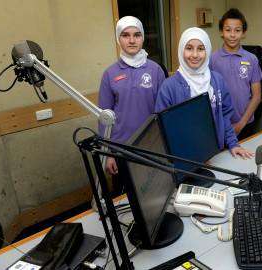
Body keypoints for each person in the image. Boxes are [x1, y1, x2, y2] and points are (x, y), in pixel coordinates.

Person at [155, 27, 252, 159]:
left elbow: (224, 117)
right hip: (183, 158)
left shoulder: (217, 80)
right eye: (189, 48)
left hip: (215, 153)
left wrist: (233, 144)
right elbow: (162, 129)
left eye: (201, 49)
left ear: (207, 51)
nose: (195, 55)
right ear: (181, 50)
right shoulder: (169, 87)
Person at [98, 16, 166, 188]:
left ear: (143, 37)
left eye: (137, 35)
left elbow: (164, 112)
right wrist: (108, 154)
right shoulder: (110, 74)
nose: (132, 40)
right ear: (118, 39)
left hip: (151, 147)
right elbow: (104, 117)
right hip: (121, 150)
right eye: (125, 35)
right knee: (125, 200)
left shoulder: (156, 70)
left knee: (153, 194)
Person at [210, 8, 262, 140]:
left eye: (237, 30)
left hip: (246, 123)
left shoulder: (251, 59)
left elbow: (256, 96)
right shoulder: (212, 59)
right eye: (228, 30)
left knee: (245, 158)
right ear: (221, 32)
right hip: (220, 125)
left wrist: (241, 123)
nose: (232, 35)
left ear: (243, 33)